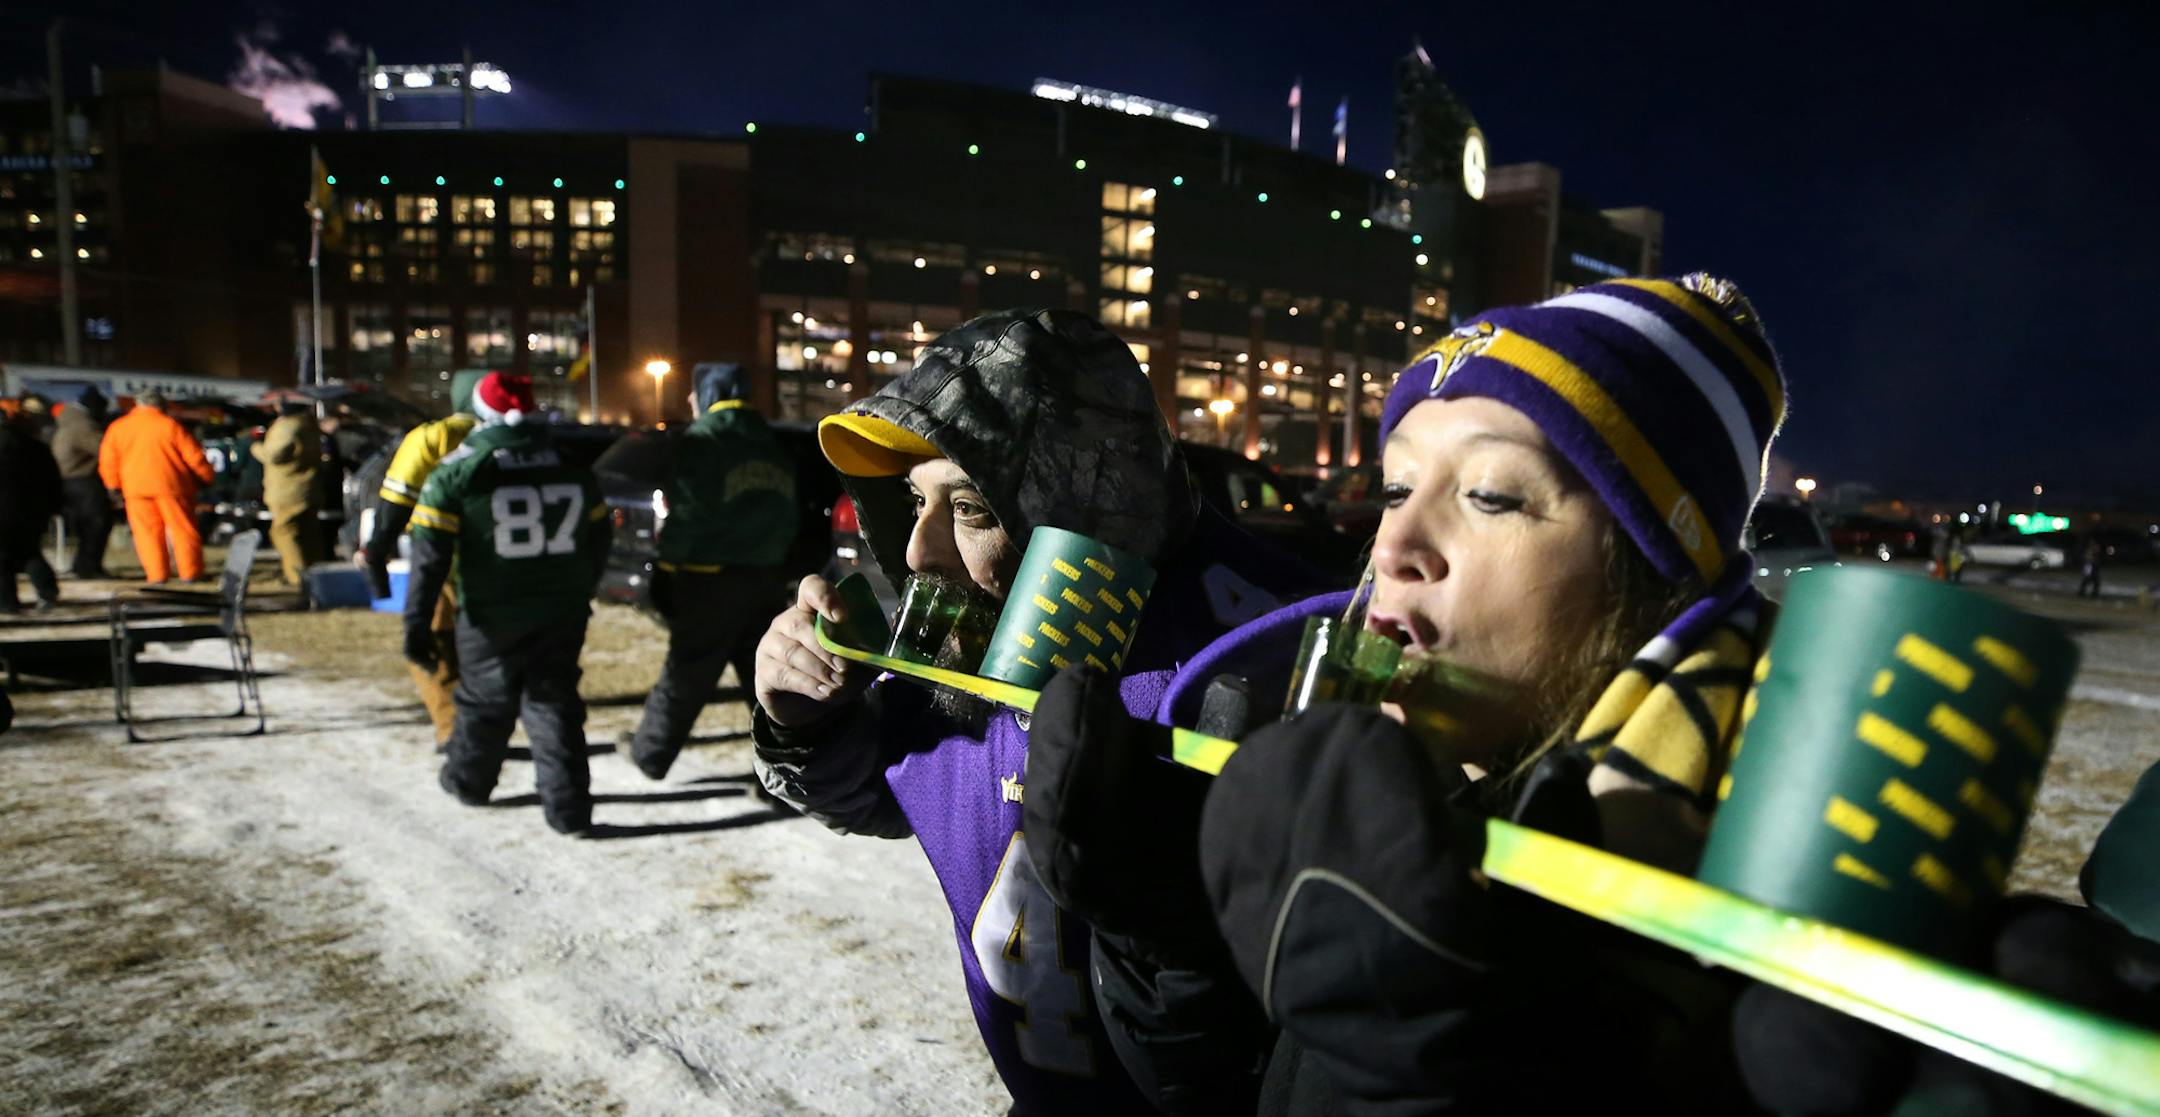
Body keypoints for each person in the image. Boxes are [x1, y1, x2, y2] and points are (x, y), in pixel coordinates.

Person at [1025, 275, 1792, 1112]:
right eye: (1397, 488)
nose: (1393, 546)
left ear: (1658, 576)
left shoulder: (1763, 928)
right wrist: (1174, 935)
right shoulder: (1428, 795)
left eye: (1490, 495)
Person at [751, 309, 1329, 1117]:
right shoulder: (979, 634)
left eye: (971, 506)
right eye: (915, 499)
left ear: (1085, 500)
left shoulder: (1268, 654)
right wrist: (804, 723)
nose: (917, 551)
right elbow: (897, 795)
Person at [405, 373, 609, 837]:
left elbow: (429, 559)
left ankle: (469, 782)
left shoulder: (460, 468)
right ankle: (569, 811)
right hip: (561, 609)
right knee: (553, 703)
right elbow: (599, 537)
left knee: (484, 702)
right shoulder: (570, 462)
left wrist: (415, 623)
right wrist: (580, 586)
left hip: (492, 612)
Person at [629, 363, 799, 781]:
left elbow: (689, 514)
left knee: (687, 670)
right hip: (764, 578)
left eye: (693, 394)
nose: (690, 402)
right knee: (764, 681)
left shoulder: (704, 440)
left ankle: (650, 754)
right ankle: (788, 772)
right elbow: (788, 511)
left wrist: (667, 569)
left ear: (709, 392)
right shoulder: (769, 441)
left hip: (709, 580)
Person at [359, 369, 487, 748]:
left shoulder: (433, 437)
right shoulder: (503, 439)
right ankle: (481, 722)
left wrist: (377, 549)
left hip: (439, 554)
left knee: (437, 642)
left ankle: (453, 728)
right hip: (496, 557)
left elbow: (397, 501)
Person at [97, 391, 215, 584]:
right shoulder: (170, 426)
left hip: (135, 489)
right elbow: (194, 457)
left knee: (147, 533)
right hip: (172, 486)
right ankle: (191, 573)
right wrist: (207, 478)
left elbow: (108, 460)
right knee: (183, 530)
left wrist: (113, 485)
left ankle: (157, 575)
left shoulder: (118, 427)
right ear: (161, 406)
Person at [251, 401, 324, 586]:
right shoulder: (310, 425)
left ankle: (299, 579)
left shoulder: (287, 427)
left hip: (287, 492)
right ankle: (317, 577)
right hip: (307, 488)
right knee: (308, 536)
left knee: (284, 533)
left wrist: (255, 446)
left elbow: (274, 456)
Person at [0, 403, 63, 612]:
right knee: (28, 551)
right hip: (31, 510)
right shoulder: (34, 446)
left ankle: (7, 603)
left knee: (3, 558)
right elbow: (53, 479)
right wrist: (54, 506)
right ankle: (47, 591)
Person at [51, 393, 113, 578]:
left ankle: (85, 565)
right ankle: (88, 567)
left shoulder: (69, 420)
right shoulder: (83, 425)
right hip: (82, 482)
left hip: (69, 481)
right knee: (96, 524)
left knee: (87, 527)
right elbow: (104, 449)